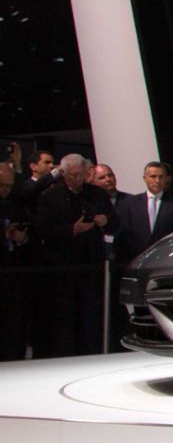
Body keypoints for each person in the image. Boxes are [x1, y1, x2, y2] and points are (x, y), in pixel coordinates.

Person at [34, 154, 116, 356]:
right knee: (64, 318)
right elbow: (43, 229)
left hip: (91, 265)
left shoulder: (97, 194)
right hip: (63, 268)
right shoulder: (49, 197)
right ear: (63, 174)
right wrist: (72, 229)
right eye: (73, 175)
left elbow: (116, 222)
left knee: (90, 315)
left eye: (81, 175)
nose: (77, 179)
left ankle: (92, 353)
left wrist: (105, 221)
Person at [0, 163, 35, 360]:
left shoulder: (12, 206)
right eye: (1, 185)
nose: (5, 190)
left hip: (12, 275)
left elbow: (29, 234)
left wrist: (21, 238)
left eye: (9, 186)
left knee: (12, 325)